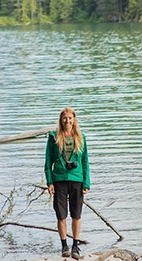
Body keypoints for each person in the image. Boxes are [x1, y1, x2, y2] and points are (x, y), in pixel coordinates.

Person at [44, 107, 90, 259]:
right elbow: (48, 161)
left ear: (74, 120)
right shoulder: (53, 138)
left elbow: (85, 163)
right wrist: (49, 182)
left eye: (70, 118)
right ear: (61, 120)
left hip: (77, 179)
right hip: (59, 180)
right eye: (65, 118)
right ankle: (64, 246)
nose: (67, 121)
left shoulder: (81, 138)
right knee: (61, 215)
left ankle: (75, 246)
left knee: (76, 215)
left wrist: (86, 183)